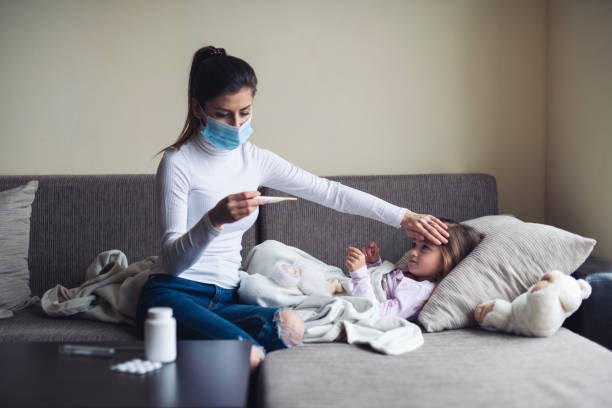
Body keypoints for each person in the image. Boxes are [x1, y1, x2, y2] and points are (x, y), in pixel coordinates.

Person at [136, 45, 450, 370]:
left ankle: (202, 353)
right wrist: (213, 220)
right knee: (250, 353)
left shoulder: (255, 159)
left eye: (245, 112)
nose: (236, 125)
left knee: (292, 327)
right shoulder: (178, 163)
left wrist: (403, 217)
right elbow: (172, 262)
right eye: (222, 114)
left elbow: (331, 192)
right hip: (174, 294)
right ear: (198, 109)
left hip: (227, 298)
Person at [346, 220, 483, 320]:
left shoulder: (418, 292)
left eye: (425, 248)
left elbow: (376, 315)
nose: (413, 252)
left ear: (447, 260)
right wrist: (373, 263)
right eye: (414, 245)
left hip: (353, 304)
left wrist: (360, 275)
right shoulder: (408, 273)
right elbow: (380, 288)